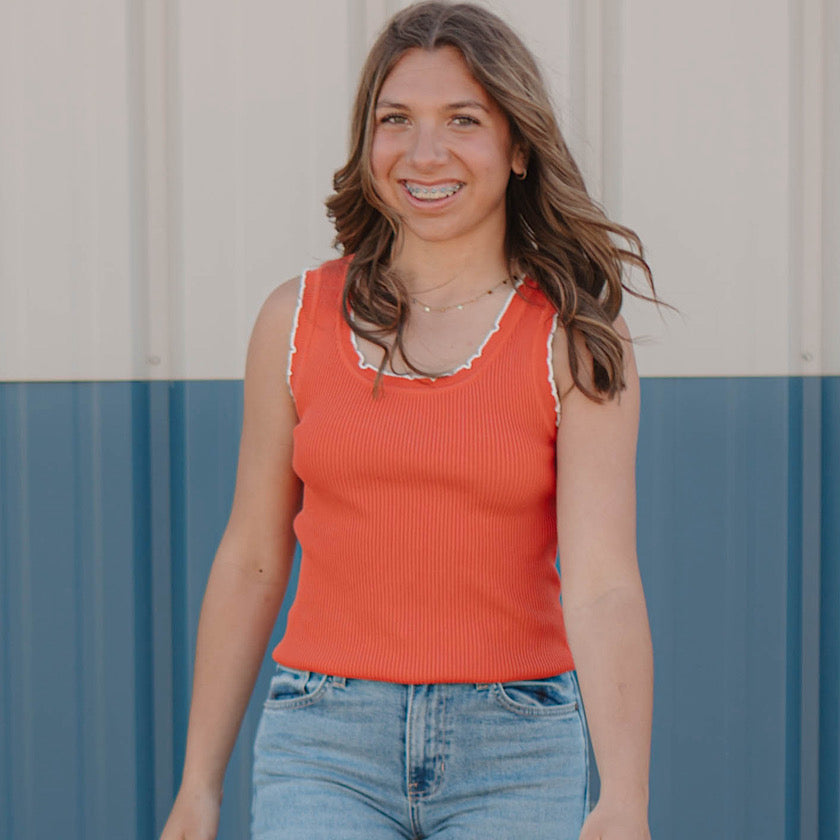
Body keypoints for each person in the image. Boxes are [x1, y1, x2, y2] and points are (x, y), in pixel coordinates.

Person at [160, 2, 655, 838]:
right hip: (322, 743)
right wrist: (198, 785)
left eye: (463, 120)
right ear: (368, 141)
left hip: (518, 745)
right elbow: (250, 556)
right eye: (397, 121)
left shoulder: (574, 341)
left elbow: (603, 583)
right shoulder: (294, 320)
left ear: (519, 145)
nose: (425, 154)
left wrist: (625, 799)